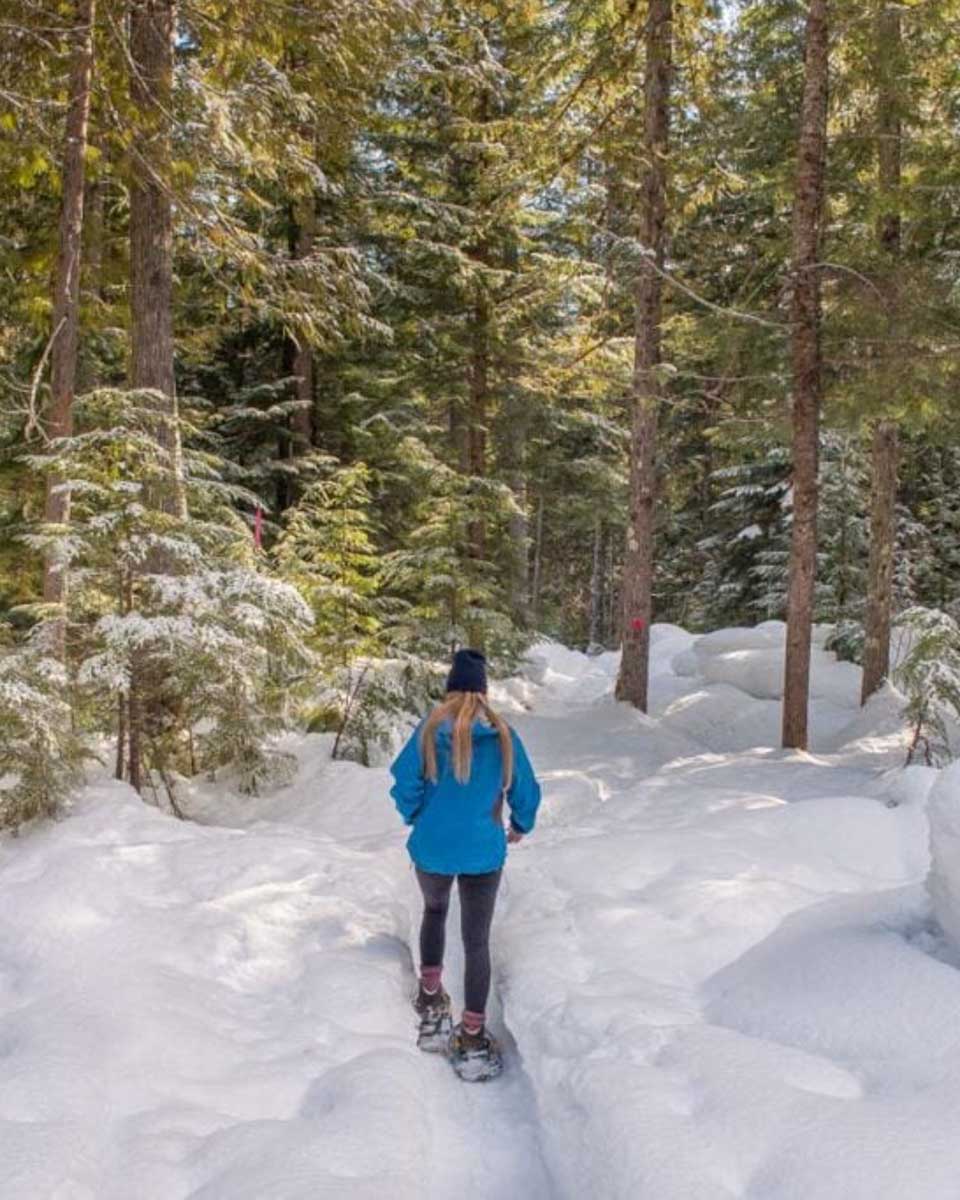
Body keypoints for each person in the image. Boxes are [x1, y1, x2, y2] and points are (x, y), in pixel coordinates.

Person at [389, 647, 541, 1081]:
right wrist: (520, 824)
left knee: (434, 911)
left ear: (450, 687)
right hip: (482, 853)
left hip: (432, 848)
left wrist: (416, 815)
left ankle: (431, 997)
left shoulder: (429, 728)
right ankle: (472, 1036)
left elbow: (403, 782)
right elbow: (526, 789)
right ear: (484, 690)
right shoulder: (503, 734)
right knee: (476, 941)